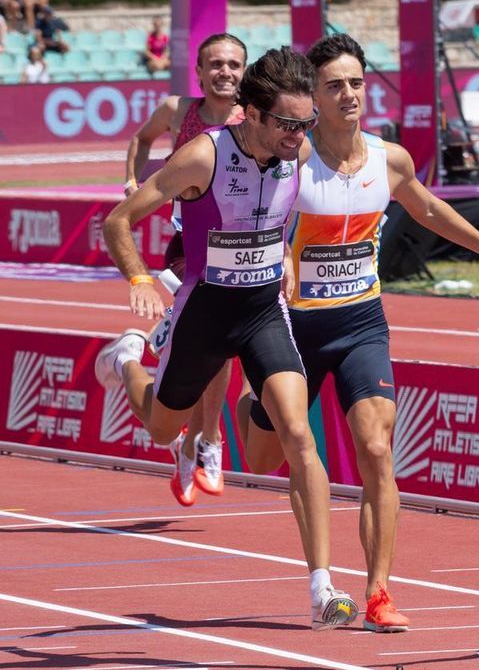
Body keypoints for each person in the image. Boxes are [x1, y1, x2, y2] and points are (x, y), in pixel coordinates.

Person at [237, 34, 479, 632]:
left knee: (376, 449)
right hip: (293, 327)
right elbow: (251, 214)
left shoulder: (389, 159)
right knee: (263, 456)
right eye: (334, 86)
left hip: (360, 322)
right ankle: (256, 406)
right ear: (314, 99)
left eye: (356, 83)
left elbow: (431, 212)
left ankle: (378, 591)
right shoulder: (292, 161)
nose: (348, 94)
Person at [94, 47, 360, 631]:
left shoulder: (302, 149)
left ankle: (323, 589)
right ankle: (127, 360)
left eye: (306, 122)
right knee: (164, 427)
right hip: (205, 314)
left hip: (264, 311)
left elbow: (289, 214)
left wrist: (287, 258)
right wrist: (140, 277)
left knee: (297, 433)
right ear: (254, 115)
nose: (299, 135)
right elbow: (117, 220)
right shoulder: (202, 157)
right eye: (288, 124)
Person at [124, 32, 248, 507]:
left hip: (238, 244)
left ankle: (192, 444)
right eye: (215, 64)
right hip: (190, 244)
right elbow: (141, 139)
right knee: (217, 339)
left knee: (221, 345)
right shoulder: (179, 111)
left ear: (244, 71)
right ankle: (209, 440)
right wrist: (132, 181)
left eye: (233, 65)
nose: (224, 73)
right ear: (199, 71)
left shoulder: (252, 116)